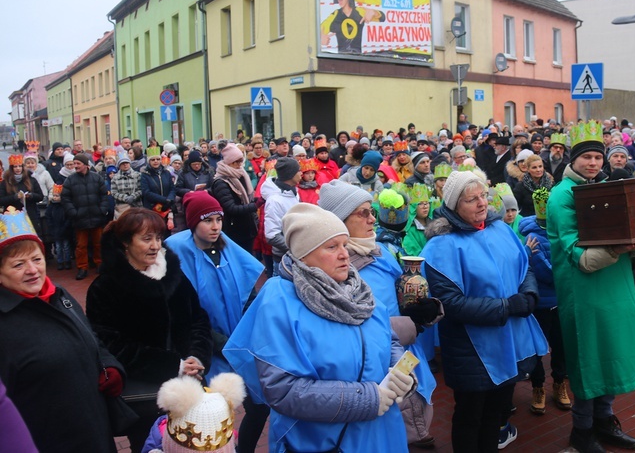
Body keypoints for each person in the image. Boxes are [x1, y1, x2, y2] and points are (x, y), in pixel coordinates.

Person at [224, 203, 412, 452]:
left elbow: (388, 339)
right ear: (303, 255)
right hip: (321, 442)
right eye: (332, 247)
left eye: (344, 244)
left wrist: (403, 373)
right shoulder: (279, 300)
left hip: (381, 436)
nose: (344, 254)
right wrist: (366, 399)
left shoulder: (359, 290)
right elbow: (281, 389)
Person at [546, 120, 635, 452]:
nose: (593, 164)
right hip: (585, 291)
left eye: (597, 158)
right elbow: (582, 259)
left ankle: (604, 421)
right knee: (590, 361)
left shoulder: (608, 187)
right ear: (573, 160)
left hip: (616, 288)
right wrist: (623, 247)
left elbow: (632, 236)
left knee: (613, 354)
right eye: (586, 158)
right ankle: (582, 431)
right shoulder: (562, 196)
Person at [422, 170, 547, 452]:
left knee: (496, 412)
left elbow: (522, 263)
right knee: (470, 415)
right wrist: (507, 306)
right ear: (454, 205)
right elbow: (451, 303)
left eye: (483, 196)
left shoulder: (499, 228)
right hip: (471, 348)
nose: (481, 204)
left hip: (508, 339)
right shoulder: (442, 245)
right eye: (471, 200)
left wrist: (528, 293)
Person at [319, 180, 442, 448]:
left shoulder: (378, 250)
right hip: (375, 370)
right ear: (339, 221)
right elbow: (352, 328)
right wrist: (413, 324)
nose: (373, 217)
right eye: (363, 213)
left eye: (371, 210)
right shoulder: (337, 268)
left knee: (415, 415)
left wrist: (421, 306)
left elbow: (396, 298)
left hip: (405, 353)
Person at [85, 208, 212, 452]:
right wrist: (172, 365)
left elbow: (198, 318)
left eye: (158, 238)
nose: (155, 245)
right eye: (146, 239)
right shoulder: (105, 288)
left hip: (189, 385)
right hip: (145, 399)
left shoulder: (172, 274)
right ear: (125, 243)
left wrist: (197, 357)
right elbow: (111, 345)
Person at [0, 209, 125, 452]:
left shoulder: (60, 296)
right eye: (18, 264)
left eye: (37, 259)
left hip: (94, 429)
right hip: (48, 440)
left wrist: (110, 366)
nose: (33, 270)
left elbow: (91, 339)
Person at [165, 191, 269, 452]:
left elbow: (249, 296)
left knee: (259, 406)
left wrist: (247, 335)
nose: (215, 227)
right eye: (207, 220)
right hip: (203, 350)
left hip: (238, 345)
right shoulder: (176, 253)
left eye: (218, 220)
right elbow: (183, 313)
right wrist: (217, 342)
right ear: (192, 223)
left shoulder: (228, 249)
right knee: (207, 416)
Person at [517, 189, 571, 415]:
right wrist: (570, 272)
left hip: (561, 301)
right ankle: (538, 387)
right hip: (541, 304)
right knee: (538, 348)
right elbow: (547, 272)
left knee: (561, 346)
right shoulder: (533, 237)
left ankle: (560, 383)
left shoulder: (563, 231)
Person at [61, 153, 109, 280]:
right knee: (81, 246)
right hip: (79, 218)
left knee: (98, 243)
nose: (75, 166)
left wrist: (102, 210)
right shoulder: (70, 180)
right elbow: (65, 198)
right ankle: (82, 267)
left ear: (86, 165)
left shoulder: (97, 178)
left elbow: (104, 195)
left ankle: (99, 264)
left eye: (78, 164)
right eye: (74, 163)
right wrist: (73, 213)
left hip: (96, 217)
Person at [212, 144, 258, 253]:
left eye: (240, 161)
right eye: (235, 162)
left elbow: (247, 198)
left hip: (247, 229)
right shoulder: (221, 182)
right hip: (233, 230)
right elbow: (231, 208)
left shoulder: (241, 175)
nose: (239, 165)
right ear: (228, 162)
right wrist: (254, 206)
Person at [321, 0, 385, 54]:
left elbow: (382, 18)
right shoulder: (335, 15)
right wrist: (320, 39)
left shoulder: (360, 11)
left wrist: (374, 12)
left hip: (359, 59)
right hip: (340, 60)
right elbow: (318, 31)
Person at [263, 157, 302, 275]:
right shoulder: (275, 200)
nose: (301, 173)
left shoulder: (293, 193)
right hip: (283, 260)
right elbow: (272, 235)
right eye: (298, 170)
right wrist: (296, 249)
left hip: (296, 257)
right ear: (290, 175)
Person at [0, 154, 44, 233]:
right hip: (12, 216)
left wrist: (31, 195)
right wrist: (15, 197)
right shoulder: (5, 183)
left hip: (30, 214)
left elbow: (40, 196)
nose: (18, 169)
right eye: (15, 166)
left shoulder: (31, 180)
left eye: (20, 166)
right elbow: (1, 200)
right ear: (11, 168)